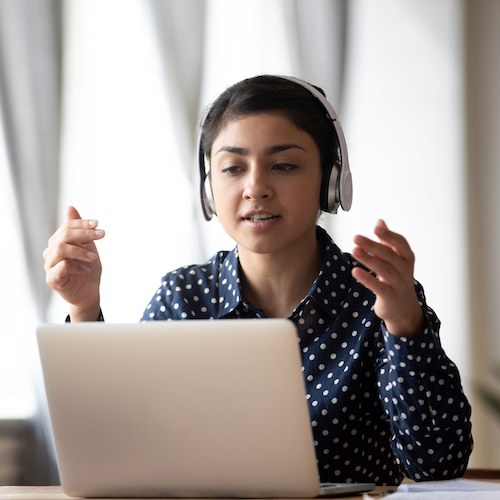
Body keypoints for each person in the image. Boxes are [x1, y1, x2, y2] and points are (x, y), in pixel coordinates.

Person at [43, 75, 472, 485]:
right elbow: (119, 450)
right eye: (232, 168)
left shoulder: (378, 297)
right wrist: (83, 310)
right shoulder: (184, 298)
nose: (256, 188)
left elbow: (437, 464)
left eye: (283, 165)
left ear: (330, 180)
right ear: (209, 188)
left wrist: (405, 328)